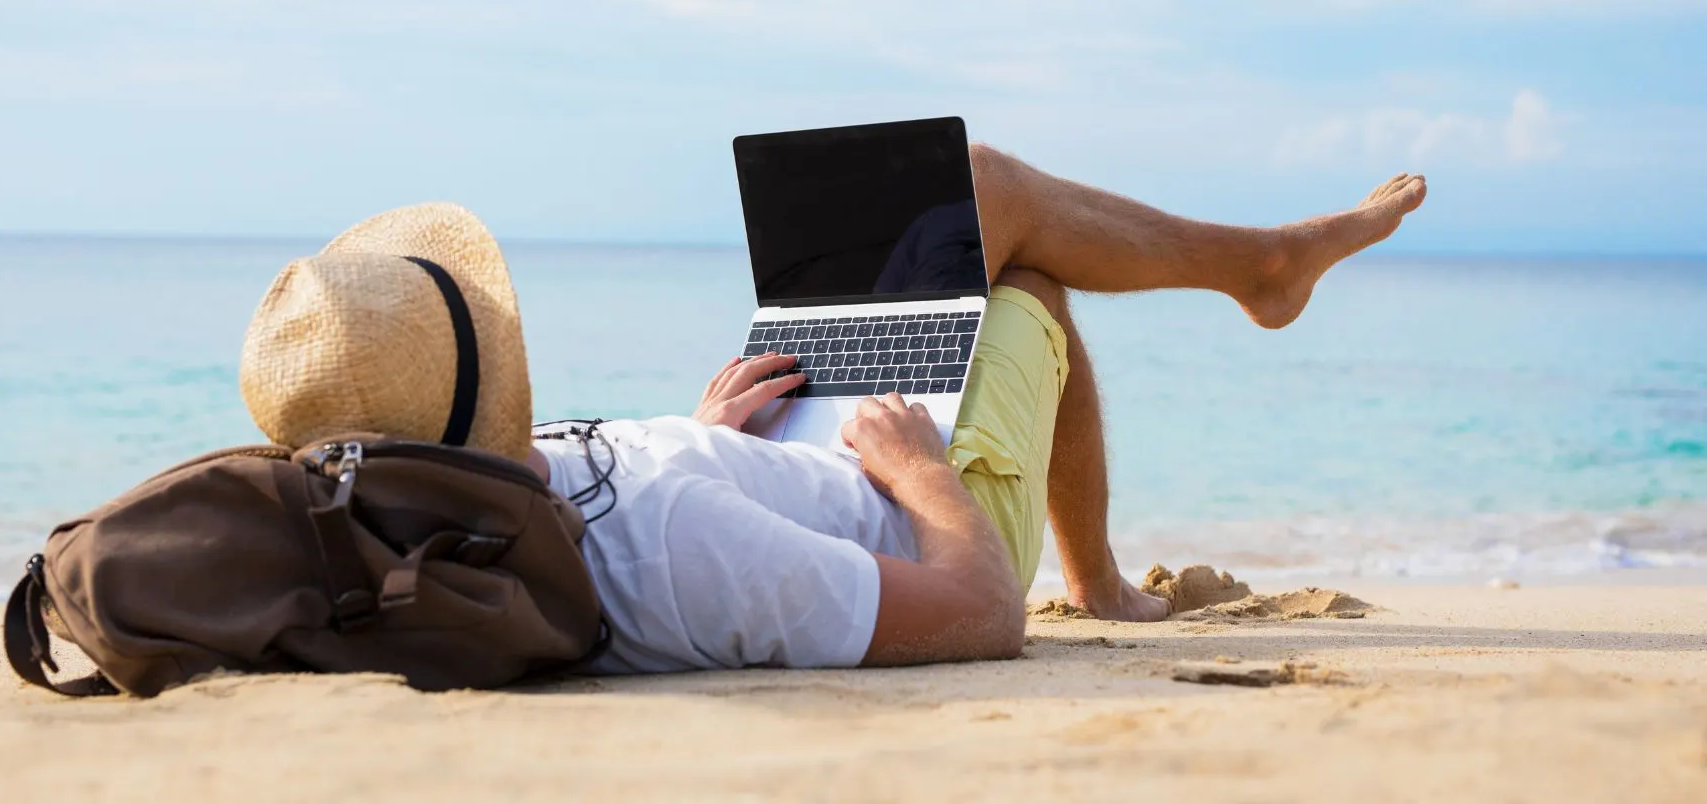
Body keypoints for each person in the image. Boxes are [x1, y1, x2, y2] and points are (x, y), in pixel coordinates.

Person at [238, 145, 1427, 673]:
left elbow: (625, 501)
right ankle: (1258, 277)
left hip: (774, 450)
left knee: (971, 217)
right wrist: (917, 475)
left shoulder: (463, 506)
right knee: (1017, 258)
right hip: (926, 513)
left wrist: (700, 431)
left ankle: (1258, 272)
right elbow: (973, 618)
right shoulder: (681, 548)